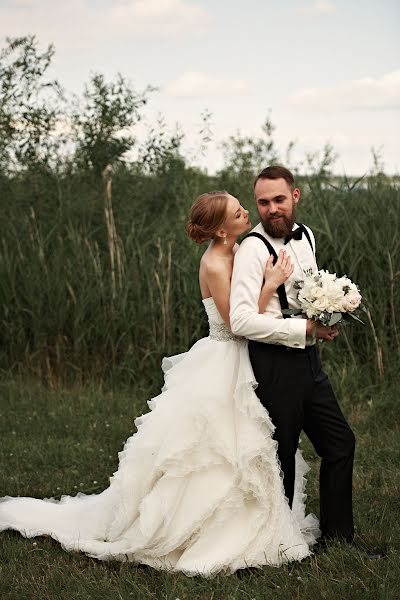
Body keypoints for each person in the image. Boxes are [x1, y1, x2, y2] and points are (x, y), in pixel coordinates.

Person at [0, 190, 319, 577]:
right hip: (224, 360)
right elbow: (238, 323)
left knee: (250, 444)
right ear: (221, 230)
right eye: (238, 211)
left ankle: (259, 517)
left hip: (245, 361)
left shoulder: (238, 252)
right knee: (215, 448)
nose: (246, 212)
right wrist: (271, 284)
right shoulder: (217, 263)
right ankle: (202, 527)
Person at [230, 166, 355, 545]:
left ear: (295, 197)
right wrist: (303, 329)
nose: (272, 209)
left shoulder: (307, 237)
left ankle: (337, 539)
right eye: (264, 202)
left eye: (279, 200)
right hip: (272, 365)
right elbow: (240, 320)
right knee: (280, 456)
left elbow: (307, 292)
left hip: (308, 361)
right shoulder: (251, 249)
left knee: (340, 443)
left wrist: (325, 316)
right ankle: (277, 544)